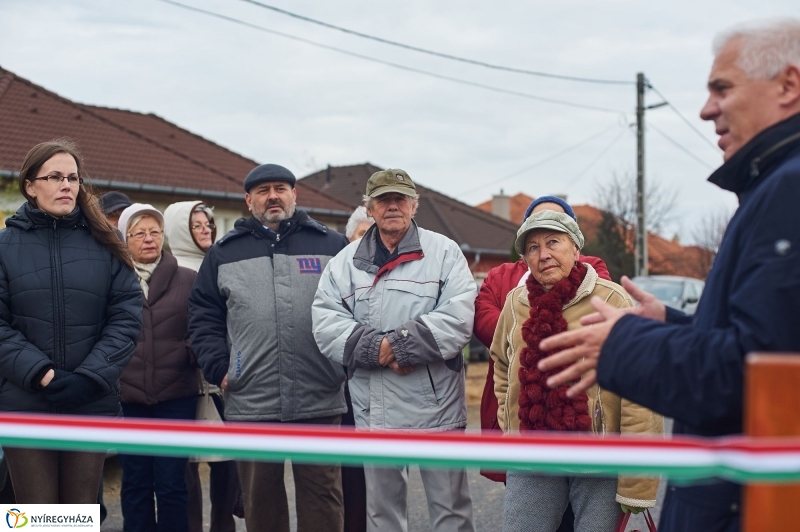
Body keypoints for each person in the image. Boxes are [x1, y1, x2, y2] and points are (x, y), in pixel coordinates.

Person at [536, 19, 800, 532]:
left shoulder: (788, 191)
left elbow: (762, 380)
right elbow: (770, 344)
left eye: (722, 89)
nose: (705, 109)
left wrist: (626, 344)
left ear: (788, 86)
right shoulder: (775, 188)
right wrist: (673, 326)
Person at [313, 169, 477, 532]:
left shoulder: (445, 252)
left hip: (438, 409)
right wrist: (379, 349)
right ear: (368, 209)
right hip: (375, 409)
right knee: (382, 516)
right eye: (383, 200)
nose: (392, 206)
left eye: (400, 199)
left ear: (414, 205)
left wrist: (399, 347)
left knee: (452, 512)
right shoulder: (344, 262)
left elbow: (460, 314)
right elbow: (325, 323)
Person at [189, 164, 349, 532]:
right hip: (251, 398)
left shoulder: (331, 245)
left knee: (323, 499)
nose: (272, 196)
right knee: (261, 501)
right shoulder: (224, 253)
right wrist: (219, 367)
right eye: (262, 191)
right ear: (249, 200)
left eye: (280, 188)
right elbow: (203, 314)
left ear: (295, 194)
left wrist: (342, 364)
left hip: (319, 393)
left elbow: (356, 308)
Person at [492, 210, 662, 532]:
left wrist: (637, 484)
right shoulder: (515, 303)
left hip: (598, 457)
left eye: (553, 242)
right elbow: (501, 362)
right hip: (533, 451)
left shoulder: (612, 301)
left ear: (575, 248)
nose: (543, 255)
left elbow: (641, 392)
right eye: (532, 247)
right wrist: (509, 419)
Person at [0, 139, 142, 504]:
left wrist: (89, 378)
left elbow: (126, 318)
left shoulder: (106, 243)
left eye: (73, 178)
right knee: (36, 518)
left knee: (77, 517)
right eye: (55, 177)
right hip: (25, 403)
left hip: (88, 402)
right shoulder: (4, 245)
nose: (67, 185)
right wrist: (42, 373)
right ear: (30, 186)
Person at [117, 203, 199, 532]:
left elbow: (203, 328)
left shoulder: (188, 279)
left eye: (155, 232)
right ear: (125, 238)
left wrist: (186, 352)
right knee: (135, 483)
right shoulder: (113, 280)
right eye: (140, 233)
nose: (149, 239)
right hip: (128, 397)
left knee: (171, 484)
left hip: (176, 396)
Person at [163, 200, 243, 532]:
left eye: (208, 224)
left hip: (220, 381)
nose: (206, 230)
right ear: (179, 229)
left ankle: (223, 526)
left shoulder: (221, 263)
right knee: (185, 469)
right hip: (183, 380)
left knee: (228, 465)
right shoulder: (168, 270)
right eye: (196, 225)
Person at [338, 206, 374, 532]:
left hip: (386, 390)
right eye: (362, 235)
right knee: (351, 479)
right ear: (349, 238)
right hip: (344, 387)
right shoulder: (334, 276)